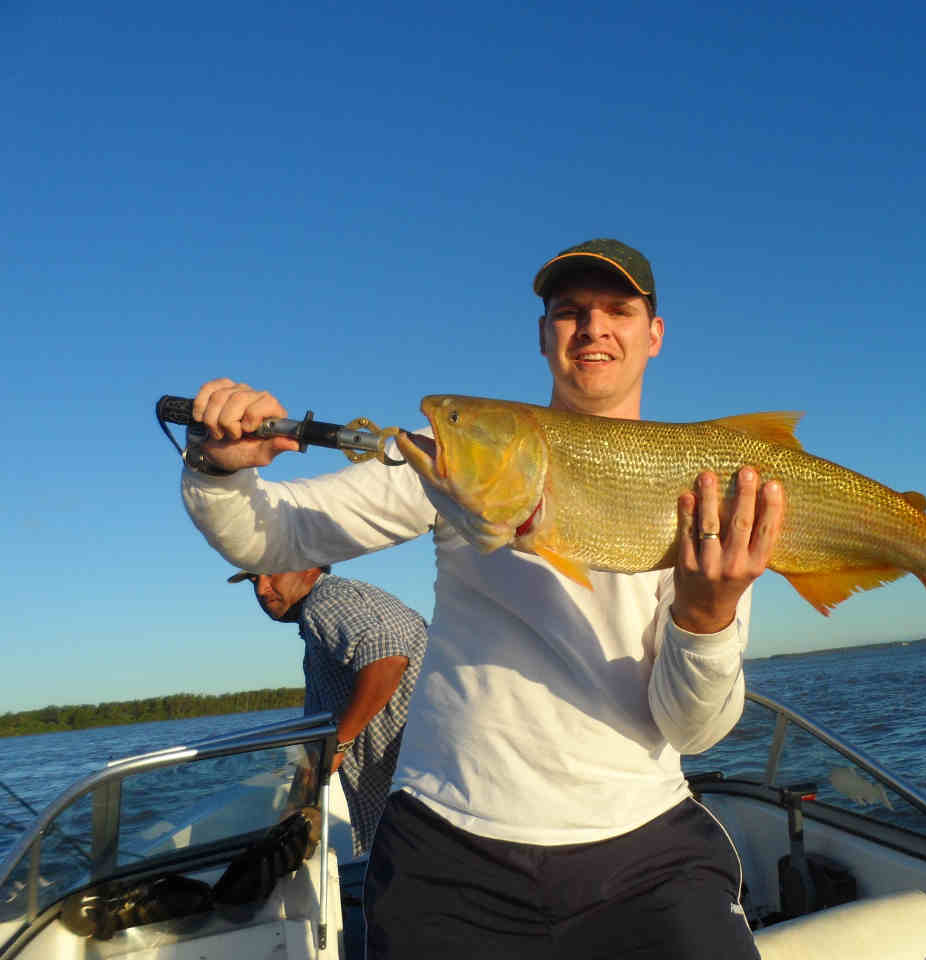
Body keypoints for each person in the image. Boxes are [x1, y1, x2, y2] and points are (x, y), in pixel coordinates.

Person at [179, 237, 785, 959]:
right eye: (568, 312)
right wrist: (217, 468)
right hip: (448, 851)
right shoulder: (460, 460)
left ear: (653, 335)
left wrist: (707, 616)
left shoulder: (710, 495)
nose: (593, 327)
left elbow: (692, 730)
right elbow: (273, 538)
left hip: (645, 849)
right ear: (542, 336)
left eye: (618, 310)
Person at [227, 565, 427, 858]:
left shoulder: (325, 604)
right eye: (255, 580)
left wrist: (340, 743)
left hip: (418, 801)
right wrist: (297, 807)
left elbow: (387, 658)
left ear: (310, 566)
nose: (261, 589)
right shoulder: (343, 603)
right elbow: (318, 734)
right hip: (419, 796)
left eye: (271, 574)